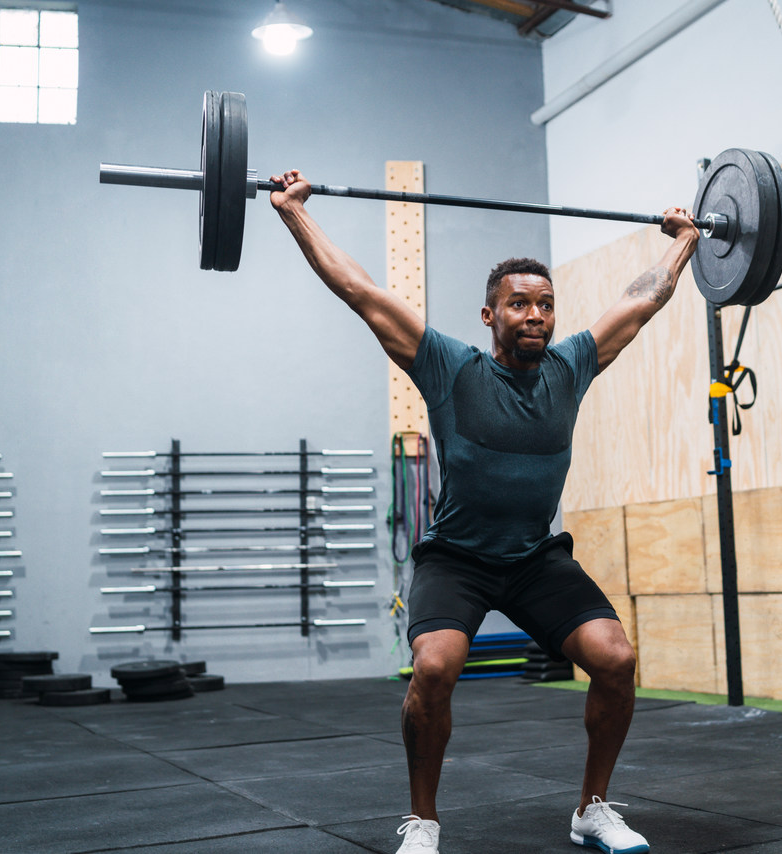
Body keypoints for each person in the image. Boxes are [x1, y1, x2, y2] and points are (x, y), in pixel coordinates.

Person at [269, 169, 699, 854]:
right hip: (459, 559)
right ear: (490, 315)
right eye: (520, 304)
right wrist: (294, 213)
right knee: (434, 669)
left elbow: (643, 301)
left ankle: (591, 810)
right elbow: (361, 291)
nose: (536, 316)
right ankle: (423, 819)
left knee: (615, 660)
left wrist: (685, 241)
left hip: (534, 558)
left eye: (546, 305)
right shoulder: (450, 367)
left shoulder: (571, 367)